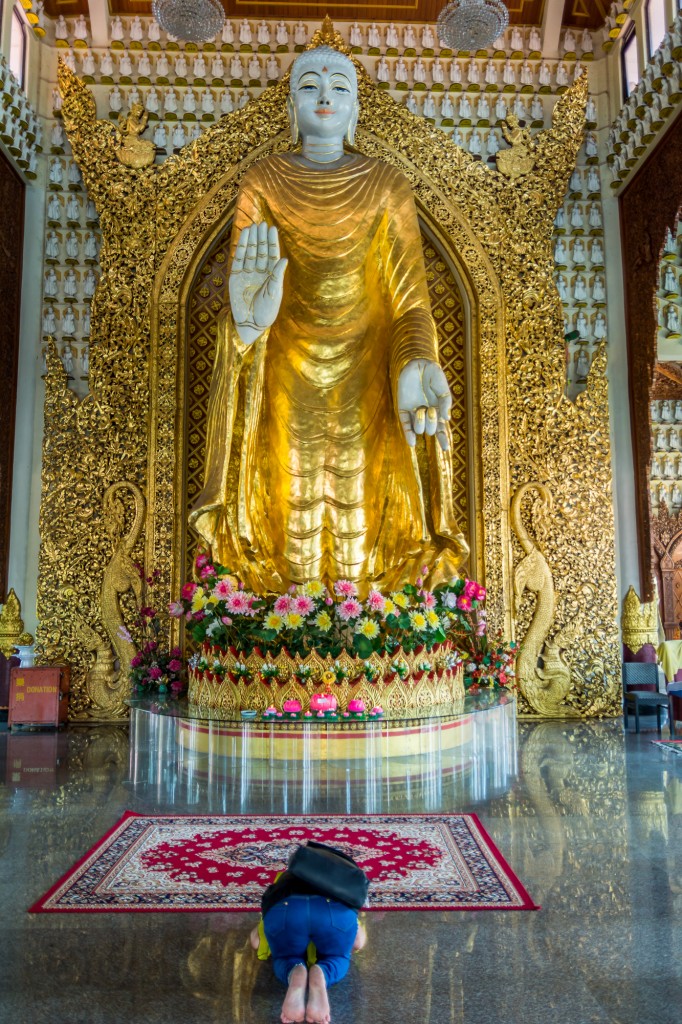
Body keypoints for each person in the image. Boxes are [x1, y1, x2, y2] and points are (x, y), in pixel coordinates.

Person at [190, 45, 468, 592]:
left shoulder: (387, 184)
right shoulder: (263, 180)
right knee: (287, 504)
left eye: (339, 86)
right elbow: (246, 288)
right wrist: (246, 326)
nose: (324, 96)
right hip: (284, 371)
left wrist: (417, 362)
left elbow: (410, 302)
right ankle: (277, 641)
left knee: (357, 514)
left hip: (367, 376)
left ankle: (367, 640)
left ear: (356, 105)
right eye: (310, 86)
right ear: (290, 104)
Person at [250, 843, 368, 1024]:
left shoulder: (284, 878)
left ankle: (295, 971)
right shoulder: (344, 884)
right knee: (337, 957)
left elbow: (257, 941)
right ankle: (323, 972)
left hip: (286, 908)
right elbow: (358, 942)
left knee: (285, 957)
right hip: (333, 912)